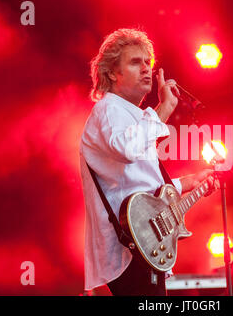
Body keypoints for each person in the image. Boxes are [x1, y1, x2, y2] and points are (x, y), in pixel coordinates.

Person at [79, 28, 215, 296]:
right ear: (111, 73)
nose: (146, 69)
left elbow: (137, 186)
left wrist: (186, 183)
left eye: (147, 62)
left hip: (145, 243)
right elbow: (127, 150)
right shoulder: (108, 109)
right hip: (127, 251)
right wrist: (163, 109)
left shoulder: (134, 117)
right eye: (134, 62)